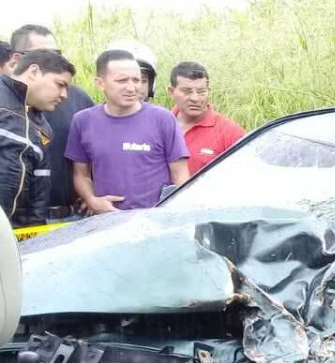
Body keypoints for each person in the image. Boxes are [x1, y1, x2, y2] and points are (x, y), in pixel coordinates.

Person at [66, 50, 189, 213]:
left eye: (136, 80)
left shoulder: (163, 119)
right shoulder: (83, 121)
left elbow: (181, 176)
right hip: (106, 223)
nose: (131, 88)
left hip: (155, 222)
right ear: (100, 83)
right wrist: (92, 200)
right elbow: (81, 174)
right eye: (122, 80)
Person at [8, 25, 95, 218]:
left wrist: (92, 192)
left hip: (73, 217)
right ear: (17, 60)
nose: (54, 62)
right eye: (44, 55)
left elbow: (99, 149)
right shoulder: (5, 105)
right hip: (16, 223)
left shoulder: (78, 99)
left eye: (57, 54)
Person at [0, 50, 76, 226]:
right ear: (33, 72)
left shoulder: (42, 128)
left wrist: (34, 231)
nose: (65, 95)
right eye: (60, 84)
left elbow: (39, 190)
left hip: (12, 239)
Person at [168, 62, 246, 174]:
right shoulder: (159, 125)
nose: (195, 98)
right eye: (187, 91)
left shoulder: (229, 132)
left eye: (201, 92)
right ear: (171, 92)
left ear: (209, 91)